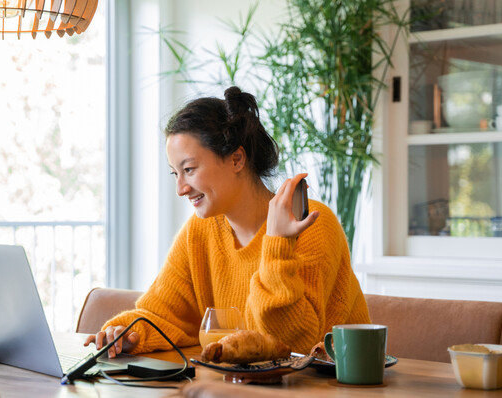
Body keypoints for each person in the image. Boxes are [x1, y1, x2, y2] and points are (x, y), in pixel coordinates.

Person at [85, 86, 370, 357]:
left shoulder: (312, 225)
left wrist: (277, 243)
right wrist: (125, 333)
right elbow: (161, 314)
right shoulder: (200, 231)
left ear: (236, 159)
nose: (181, 188)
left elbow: (292, 342)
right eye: (175, 174)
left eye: (189, 169)